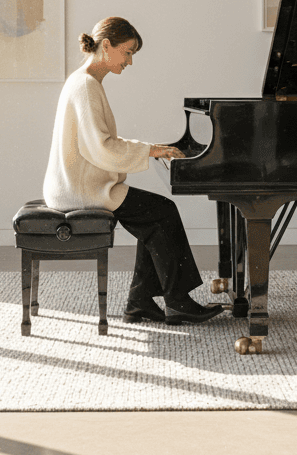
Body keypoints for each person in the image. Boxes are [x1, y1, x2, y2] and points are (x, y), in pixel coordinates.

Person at [42, 16, 224, 325]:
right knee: (162, 212)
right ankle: (176, 301)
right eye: (128, 52)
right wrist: (150, 150)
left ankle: (140, 302)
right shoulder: (86, 85)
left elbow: (101, 143)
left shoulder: (84, 81)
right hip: (81, 188)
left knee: (154, 217)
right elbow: (102, 148)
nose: (129, 61)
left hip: (76, 183)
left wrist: (150, 147)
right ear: (107, 45)